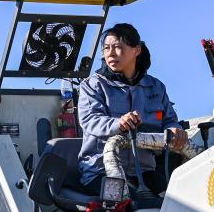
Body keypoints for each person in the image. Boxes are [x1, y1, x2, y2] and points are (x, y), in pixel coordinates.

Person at [76, 23, 187, 195]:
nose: (110, 53)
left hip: (143, 171)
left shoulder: (156, 87)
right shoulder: (92, 86)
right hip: (101, 171)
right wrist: (118, 123)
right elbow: (90, 120)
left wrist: (175, 130)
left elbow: (169, 120)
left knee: (174, 201)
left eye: (118, 47)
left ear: (137, 50)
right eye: (106, 48)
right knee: (130, 203)